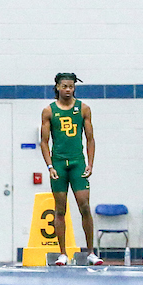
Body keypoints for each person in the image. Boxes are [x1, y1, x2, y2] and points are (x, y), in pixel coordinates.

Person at [39, 72, 102, 266]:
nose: (68, 90)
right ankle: (63, 253)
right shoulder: (49, 111)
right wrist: (49, 166)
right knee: (60, 208)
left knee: (84, 205)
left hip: (77, 162)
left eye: (71, 86)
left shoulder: (83, 109)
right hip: (58, 163)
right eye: (64, 86)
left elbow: (90, 138)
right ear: (57, 87)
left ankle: (90, 252)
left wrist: (90, 163)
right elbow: (43, 141)